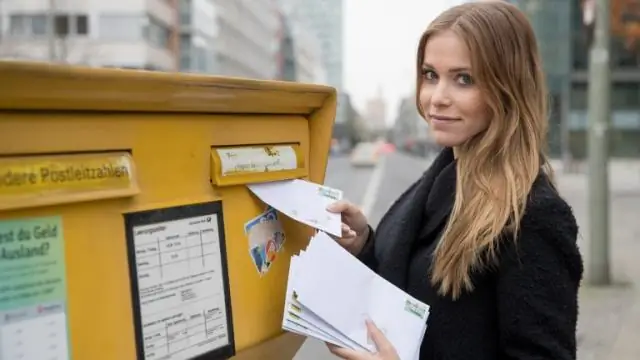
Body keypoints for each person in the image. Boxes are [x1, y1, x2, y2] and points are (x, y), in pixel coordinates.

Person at [326, 2, 583, 360]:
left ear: (507, 89)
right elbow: (409, 286)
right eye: (431, 75)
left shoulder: (534, 217)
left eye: (464, 79)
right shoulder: (443, 177)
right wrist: (364, 244)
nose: (437, 98)